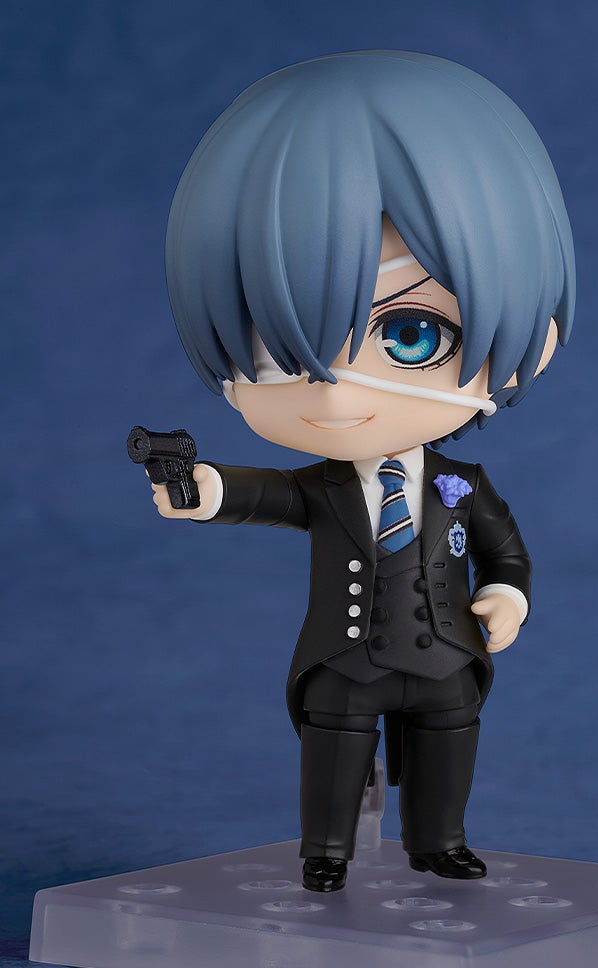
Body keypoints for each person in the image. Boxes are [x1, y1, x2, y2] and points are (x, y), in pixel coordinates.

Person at [148, 51, 575, 892]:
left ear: (538, 341)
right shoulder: (325, 489)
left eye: (412, 334)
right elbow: (266, 494)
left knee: (448, 747)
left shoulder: (464, 486)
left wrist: (507, 596)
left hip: (447, 658)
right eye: (282, 347)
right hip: (345, 662)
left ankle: (438, 842)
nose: (337, 394)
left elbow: (508, 553)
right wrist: (201, 491)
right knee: (336, 753)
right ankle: (327, 851)